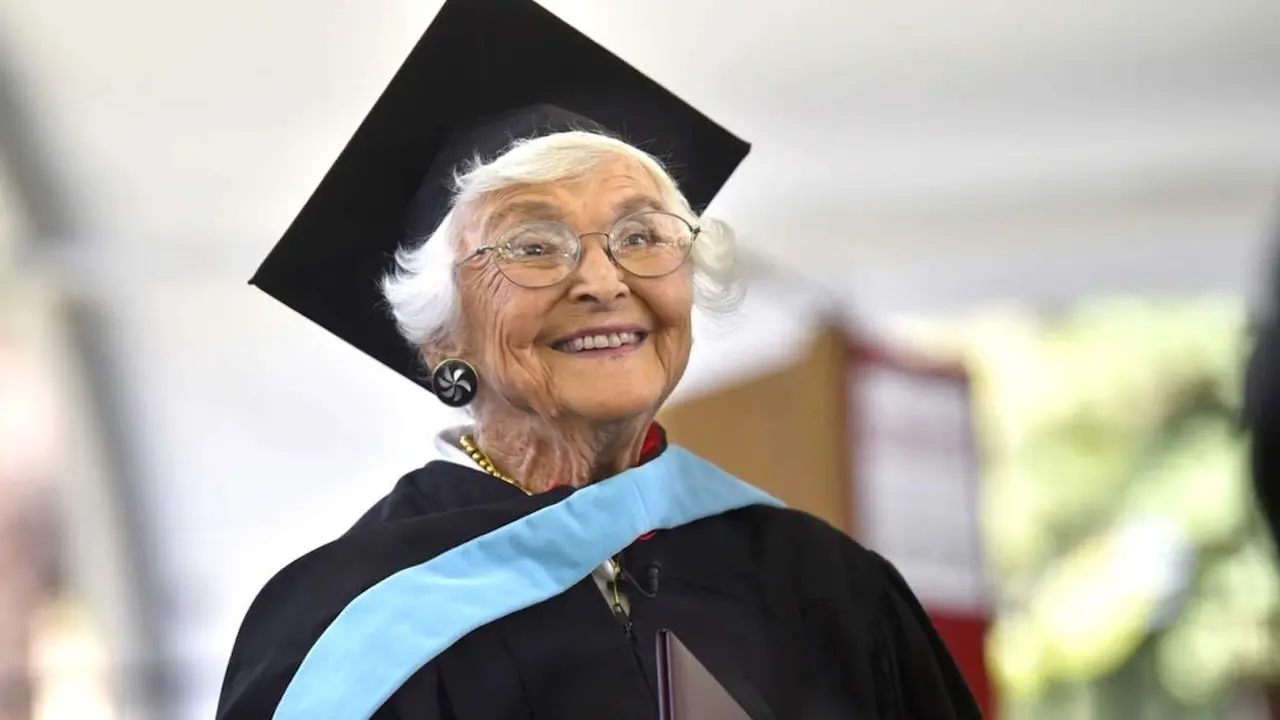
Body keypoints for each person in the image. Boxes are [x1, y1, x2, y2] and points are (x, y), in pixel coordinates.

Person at [215, 0, 982, 718]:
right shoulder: (348, 624)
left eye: (642, 236)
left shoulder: (825, 588)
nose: (603, 281)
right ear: (440, 335)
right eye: (534, 247)